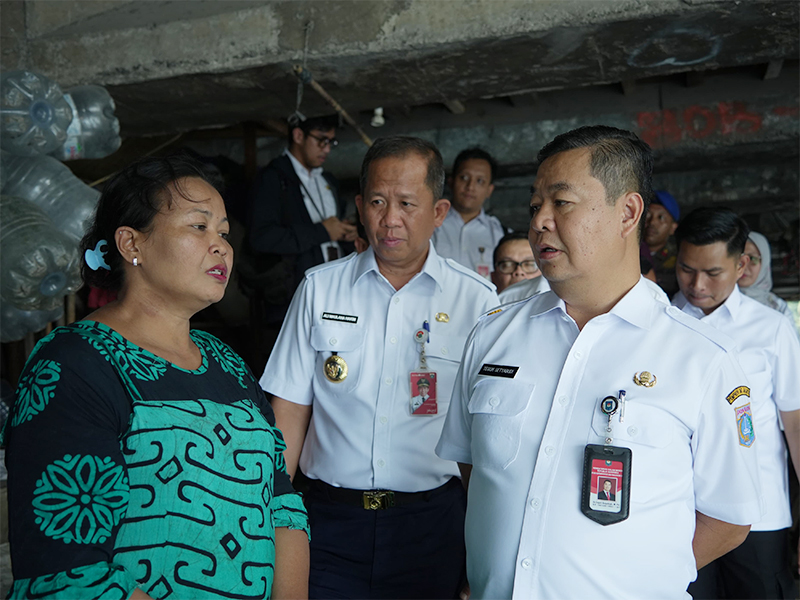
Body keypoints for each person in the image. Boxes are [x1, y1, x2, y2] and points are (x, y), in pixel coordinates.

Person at [436, 125, 762, 599]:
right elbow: (478, 470)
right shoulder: (492, 335)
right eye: (534, 206)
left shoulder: (702, 359)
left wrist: (638, 573)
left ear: (628, 212)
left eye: (561, 202)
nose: (540, 221)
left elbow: (729, 518)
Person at [3, 152, 310, 599]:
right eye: (198, 226)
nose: (221, 245)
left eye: (223, 231)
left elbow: (281, 502)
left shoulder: (227, 364)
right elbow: (69, 571)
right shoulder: (74, 364)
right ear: (132, 244)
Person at [261, 136, 499, 599]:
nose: (390, 219)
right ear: (359, 206)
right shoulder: (319, 289)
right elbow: (289, 411)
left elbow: (482, 433)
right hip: (327, 520)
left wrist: (483, 542)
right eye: (377, 201)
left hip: (431, 524)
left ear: (439, 211)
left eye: (407, 203)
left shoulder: (476, 302)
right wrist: (271, 512)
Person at [672, 207, 800, 600]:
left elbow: (794, 425)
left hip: (760, 516)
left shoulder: (771, 328)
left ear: (742, 264)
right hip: (680, 516)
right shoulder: (660, 323)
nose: (697, 285)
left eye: (713, 272)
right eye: (686, 269)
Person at [244, 114, 356, 311]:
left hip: (336, 290)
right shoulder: (272, 179)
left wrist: (346, 234)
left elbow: (332, 232)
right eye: (321, 141)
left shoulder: (328, 180)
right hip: (294, 298)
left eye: (331, 142)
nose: (327, 149)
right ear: (298, 136)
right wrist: (322, 232)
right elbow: (261, 238)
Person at [432, 147, 506, 276]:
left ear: (489, 190)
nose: (470, 187)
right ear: (451, 181)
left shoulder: (500, 234)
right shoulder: (429, 224)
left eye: (480, 181)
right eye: (464, 177)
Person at [739, 231, 796, 324]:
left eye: (752, 258)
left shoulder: (778, 308)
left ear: (765, 263)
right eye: (738, 258)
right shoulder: (714, 302)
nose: (743, 266)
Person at [644, 190, 680, 298]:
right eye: (647, 215)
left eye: (661, 218)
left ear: (673, 228)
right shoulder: (628, 253)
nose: (652, 222)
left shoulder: (678, 259)